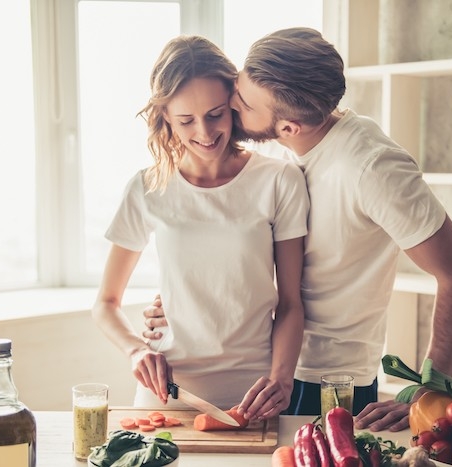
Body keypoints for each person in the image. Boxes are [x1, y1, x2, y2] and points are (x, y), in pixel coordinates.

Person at [143, 28, 452, 431]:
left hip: (328, 380)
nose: (231, 105)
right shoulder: (277, 140)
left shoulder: (373, 168)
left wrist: (431, 389)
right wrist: (184, 301)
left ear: (288, 126)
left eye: (244, 102)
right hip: (262, 365)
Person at [91, 35, 310, 421]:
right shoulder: (147, 188)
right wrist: (136, 350)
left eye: (215, 114)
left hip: (255, 395)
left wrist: (282, 379)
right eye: (186, 120)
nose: (205, 133)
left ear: (234, 107)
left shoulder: (279, 179)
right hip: (167, 394)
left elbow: (291, 302)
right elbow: (106, 303)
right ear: (165, 118)